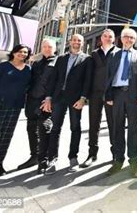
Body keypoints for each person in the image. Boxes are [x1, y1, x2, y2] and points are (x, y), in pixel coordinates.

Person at [0, 44, 32, 178]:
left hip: (14, 108)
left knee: (6, 137)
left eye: (25, 52)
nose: (22, 54)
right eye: (20, 51)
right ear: (14, 53)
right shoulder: (3, 66)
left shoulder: (28, 69)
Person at [43, 34, 92, 174]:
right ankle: (52, 159)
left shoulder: (87, 59)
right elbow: (54, 79)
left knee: (75, 128)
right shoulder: (61, 58)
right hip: (58, 98)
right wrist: (48, 97)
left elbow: (87, 80)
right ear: (70, 42)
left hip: (75, 99)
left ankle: (73, 158)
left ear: (83, 43)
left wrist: (83, 98)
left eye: (79, 41)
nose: (76, 42)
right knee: (55, 128)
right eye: (74, 40)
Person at [104, 28, 137, 177]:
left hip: (133, 96)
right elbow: (108, 76)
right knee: (117, 128)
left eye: (131, 38)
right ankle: (118, 159)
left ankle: (134, 162)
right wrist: (108, 96)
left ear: (135, 40)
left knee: (133, 129)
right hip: (116, 95)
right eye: (126, 37)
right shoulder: (113, 55)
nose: (129, 40)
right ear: (121, 39)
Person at [17, 39, 57, 173]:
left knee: (44, 130)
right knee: (31, 129)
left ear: (54, 48)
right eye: (44, 46)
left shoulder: (58, 62)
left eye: (49, 47)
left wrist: (49, 99)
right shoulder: (36, 63)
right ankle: (34, 156)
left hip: (46, 101)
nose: (47, 49)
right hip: (32, 101)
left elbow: (58, 83)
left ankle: (43, 160)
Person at [80, 29, 116, 168]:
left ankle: (115, 153)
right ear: (101, 38)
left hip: (111, 94)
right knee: (93, 124)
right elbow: (89, 76)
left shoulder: (118, 52)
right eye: (105, 36)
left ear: (114, 39)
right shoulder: (94, 54)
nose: (107, 38)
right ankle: (92, 154)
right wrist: (85, 95)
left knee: (113, 124)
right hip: (95, 94)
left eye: (110, 36)